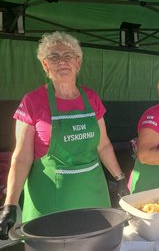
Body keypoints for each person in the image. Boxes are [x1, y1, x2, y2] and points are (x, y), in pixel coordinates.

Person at [0, 31, 129, 239]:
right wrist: (10, 204)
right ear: (45, 65)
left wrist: (120, 178)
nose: (62, 62)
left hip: (93, 197)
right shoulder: (32, 101)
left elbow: (103, 146)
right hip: (50, 202)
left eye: (68, 56)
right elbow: (22, 157)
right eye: (54, 56)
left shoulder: (91, 98)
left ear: (78, 63)